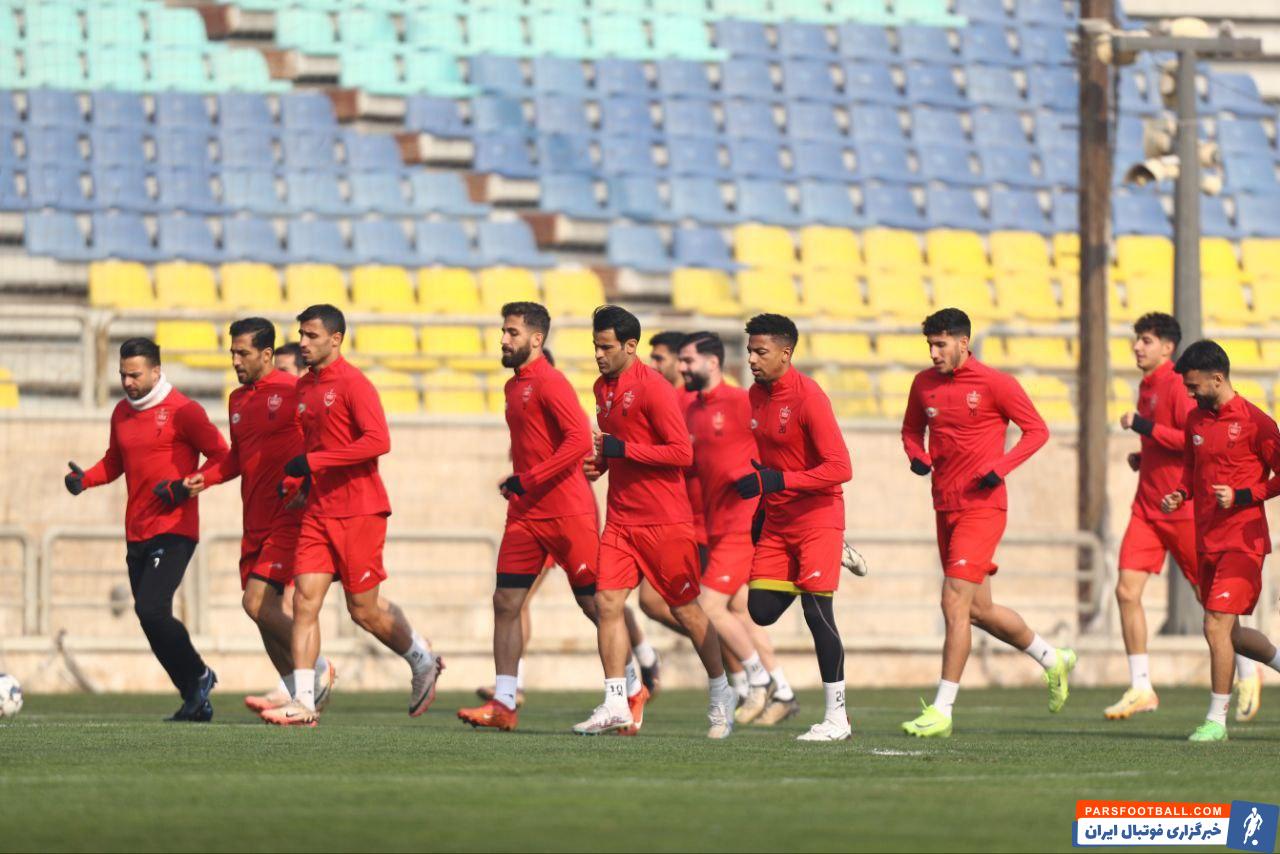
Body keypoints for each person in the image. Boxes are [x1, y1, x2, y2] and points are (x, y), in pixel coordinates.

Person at [458, 302, 649, 732]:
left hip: (568, 512)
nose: (503, 339)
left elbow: (578, 441)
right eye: (503, 331)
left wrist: (530, 478)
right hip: (525, 514)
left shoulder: (550, 382)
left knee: (596, 605)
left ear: (536, 338)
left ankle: (633, 689)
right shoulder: (513, 386)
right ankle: (504, 702)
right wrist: (520, 483)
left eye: (511, 332)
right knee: (506, 601)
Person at [260, 304, 443, 726]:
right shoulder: (304, 388)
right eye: (301, 335)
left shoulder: (354, 384)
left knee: (363, 610)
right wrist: (301, 483)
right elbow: (313, 447)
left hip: (360, 510)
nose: (303, 343)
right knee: (304, 602)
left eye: (311, 335)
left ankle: (421, 658)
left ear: (336, 339)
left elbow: (378, 441)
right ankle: (303, 701)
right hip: (317, 513)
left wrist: (316, 462)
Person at [899, 308, 1075, 739]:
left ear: (963, 343)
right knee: (979, 610)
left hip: (983, 508)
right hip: (945, 506)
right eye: (930, 345)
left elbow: (1037, 430)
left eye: (941, 344)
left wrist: (1000, 467)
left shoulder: (996, 384)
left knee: (953, 601)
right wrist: (917, 457)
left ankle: (942, 710)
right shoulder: (923, 384)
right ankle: (1052, 658)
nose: (934, 353)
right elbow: (910, 431)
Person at [574, 306, 736, 738]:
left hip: (665, 523)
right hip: (621, 521)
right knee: (607, 604)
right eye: (595, 346)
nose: (598, 354)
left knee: (687, 611)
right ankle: (616, 702)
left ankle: (721, 692)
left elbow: (681, 453)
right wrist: (601, 464)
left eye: (606, 347)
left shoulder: (654, 389)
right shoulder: (601, 388)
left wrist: (623, 450)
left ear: (631, 346)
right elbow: (617, 448)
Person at [1105, 313, 1261, 721]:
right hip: (1148, 507)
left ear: (1168, 347)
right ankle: (1141, 686)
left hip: (1185, 513)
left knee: (1212, 608)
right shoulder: (1149, 386)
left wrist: (1144, 427)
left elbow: (1187, 440)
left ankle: (1247, 673)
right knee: (1126, 591)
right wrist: (1145, 457)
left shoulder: (1180, 386)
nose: (1137, 347)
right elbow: (1176, 442)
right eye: (1137, 340)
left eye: (1146, 340)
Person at [64, 338, 228, 721]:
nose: (127, 382)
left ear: (156, 371)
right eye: (122, 374)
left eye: (135, 375)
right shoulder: (121, 412)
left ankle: (199, 675)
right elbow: (114, 461)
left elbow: (223, 455)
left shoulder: (185, 411)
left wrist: (187, 486)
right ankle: (195, 699)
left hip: (175, 528)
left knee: (151, 609)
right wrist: (84, 479)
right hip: (136, 530)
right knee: (150, 618)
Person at [180, 317, 335, 716]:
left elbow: (321, 442)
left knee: (255, 603)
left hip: (288, 515)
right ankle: (299, 697)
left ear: (266, 355)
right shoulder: (237, 400)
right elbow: (237, 456)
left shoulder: (293, 391)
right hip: (254, 520)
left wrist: (307, 485)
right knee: (263, 615)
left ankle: (318, 666)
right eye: (232, 353)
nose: (235, 361)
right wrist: (204, 478)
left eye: (243, 353)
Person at [736, 314, 855, 742]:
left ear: (786, 354)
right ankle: (831, 557)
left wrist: (779, 481)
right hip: (778, 519)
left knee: (816, 611)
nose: (751, 359)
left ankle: (837, 719)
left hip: (818, 517)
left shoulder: (810, 398)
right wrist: (761, 503)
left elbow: (841, 468)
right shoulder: (755, 395)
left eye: (760, 352)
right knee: (760, 611)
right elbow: (771, 463)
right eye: (749, 351)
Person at [1159, 340, 1280, 742]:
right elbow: (1191, 469)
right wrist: (1181, 493)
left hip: (1243, 543)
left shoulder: (1256, 422)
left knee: (1213, 626)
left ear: (1217, 378)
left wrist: (1244, 495)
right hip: (1206, 539)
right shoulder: (1195, 420)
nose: (1190, 393)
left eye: (1194, 386)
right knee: (1232, 635)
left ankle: (1216, 721)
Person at [679, 331, 801, 725]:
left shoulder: (740, 401)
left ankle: (757, 679)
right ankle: (783, 690)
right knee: (738, 610)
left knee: (708, 606)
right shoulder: (691, 409)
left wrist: (771, 483)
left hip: (743, 523)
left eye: (687, 360)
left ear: (712, 362)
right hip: (716, 525)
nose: (681, 368)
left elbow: (778, 443)